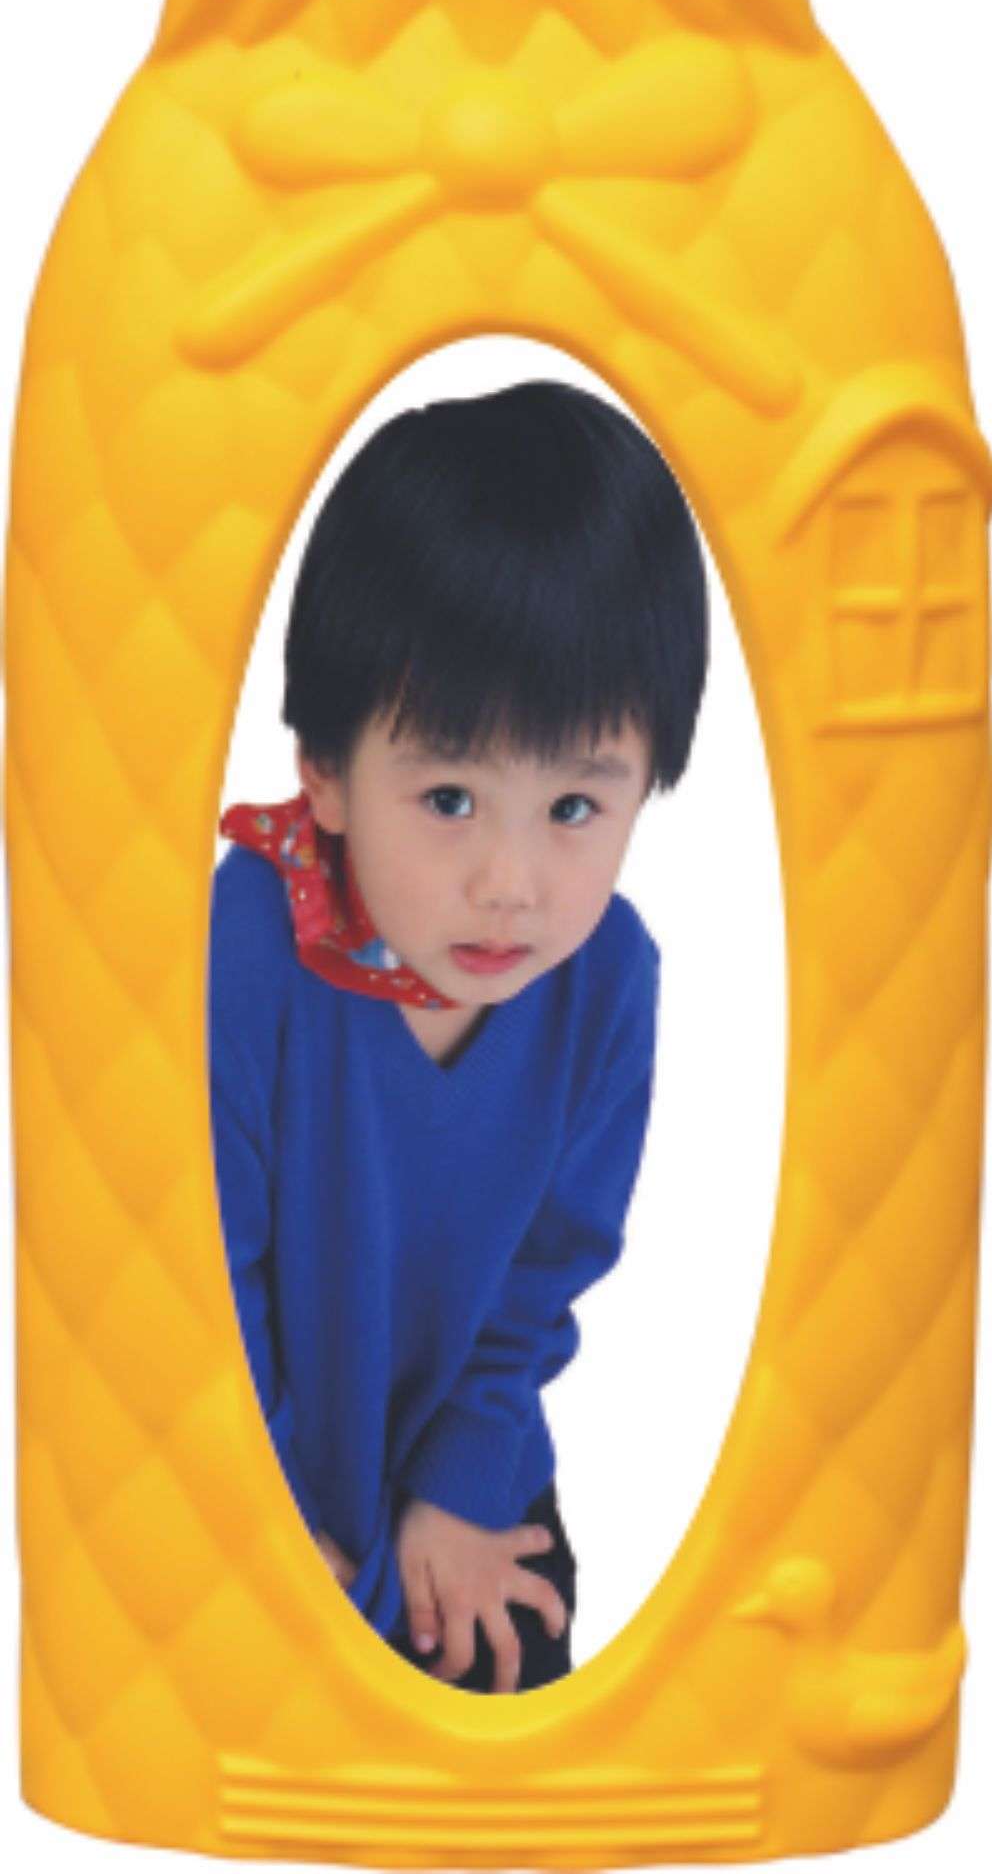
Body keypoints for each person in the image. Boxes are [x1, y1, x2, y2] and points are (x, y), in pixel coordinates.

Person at [208, 378, 708, 1694]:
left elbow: (542, 1278)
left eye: (574, 808)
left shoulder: (608, 981)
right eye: (447, 796)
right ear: (325, 769)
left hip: (464, 1475)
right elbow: (202, 1287)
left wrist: (464, 1485)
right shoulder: (244, 950)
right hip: (243, 1473)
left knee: (515, 1708)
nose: (511, 885)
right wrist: (274, 1529)